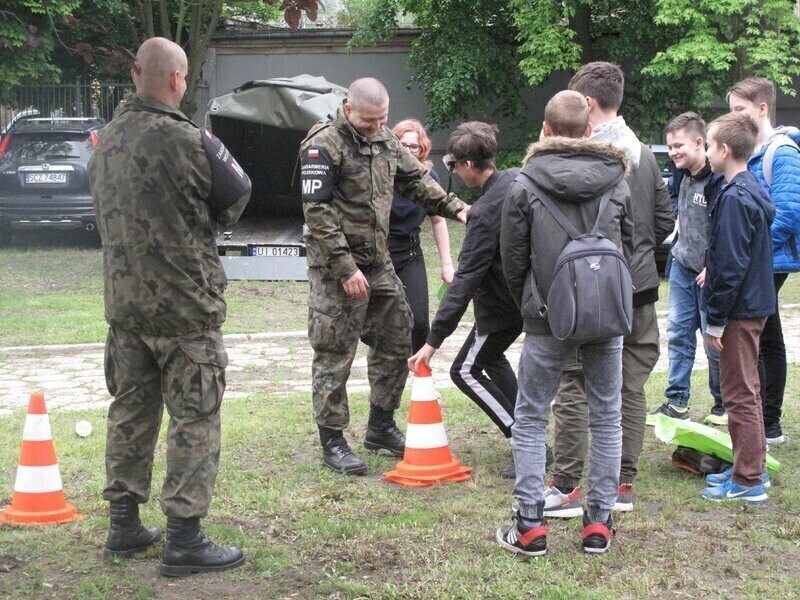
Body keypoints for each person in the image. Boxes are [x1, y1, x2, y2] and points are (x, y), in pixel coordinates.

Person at [88, 37, 250, 576]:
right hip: (185, 310)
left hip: (126, 308)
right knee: (194, 419)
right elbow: (237, 195)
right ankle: (184, 538)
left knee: (130, 412)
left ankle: (124, 526)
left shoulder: (104, 141)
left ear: (135, 73)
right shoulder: (190, 140)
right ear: (178, 80)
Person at [299, 77, 469, 476]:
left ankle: (380, 426)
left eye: (382, 119)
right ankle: (334, 440)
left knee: (399, 336)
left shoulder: (387, 140)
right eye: (369, 120)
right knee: (334, 353)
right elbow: (317, 214)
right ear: (348, 109)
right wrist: (345, 269)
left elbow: (415, 181)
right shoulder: (323, 145)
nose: (376, 127)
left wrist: (457, 208)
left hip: (378, 265)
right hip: (336, 272)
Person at [497, 90, 633, 556]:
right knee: (607, 415)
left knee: (531, 416)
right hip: (606, 316)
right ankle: (598, 524)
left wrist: (532, 306)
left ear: (546, 129)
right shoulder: (617, 179)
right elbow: (631, 249)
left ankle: (531, 526)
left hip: (545, 317)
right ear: (590, 130)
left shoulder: (524, 182)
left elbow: (512, 259)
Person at [544, 62, 673, 518]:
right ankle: (622, 485)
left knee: (576, 382)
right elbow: (663, 223)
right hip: (638, 287)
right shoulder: (645, 152)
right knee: (630, 386)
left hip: (591, 290)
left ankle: (566, 487)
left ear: (590, 105)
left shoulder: (584, 157)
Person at [407, 121, 523, 478]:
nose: (453, 171)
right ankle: (528, 431)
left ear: (469, 165)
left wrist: (431, 342)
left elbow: (464, 283)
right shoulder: (516, 179)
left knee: (464, 371)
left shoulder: (483, 214)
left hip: (502, 310)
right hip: (521, 303)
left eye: (452, 164)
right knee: (493, 360)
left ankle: (523, 439)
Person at [700, 111, 776, 504]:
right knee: (747, 388)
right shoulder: (750, 187)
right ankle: (751, 466)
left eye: (710, 145)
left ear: (724, 149)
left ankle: (748, 480)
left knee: (738, 393)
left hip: (740, 311)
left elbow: (729, 267)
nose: (707, 153)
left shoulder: (733, 198)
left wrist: (715, 320)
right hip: (754, 305)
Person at [728, 77, 800, 445]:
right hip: (755, 259)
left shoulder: (782, 152)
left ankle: (769, 423)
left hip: (771, 261)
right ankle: (758, 417)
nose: (734, 116)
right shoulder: (751, 150)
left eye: (740, 109)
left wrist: (750, 253)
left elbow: (788, 212)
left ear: (762, 108)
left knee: (765, 339)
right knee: (762, 336)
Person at [651, 112, 726, 424]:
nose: (673, 153)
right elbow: (670, 199)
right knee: (679, 333)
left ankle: (722, 405)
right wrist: (676, 215)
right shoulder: (679, 171)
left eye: (678, 146)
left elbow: (727, 228)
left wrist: (715, 265)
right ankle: (676, 402)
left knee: (714, 340)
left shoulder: (720, 177)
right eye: (669, 147)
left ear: (699, 142)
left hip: (710, 272)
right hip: (682, 264)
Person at [389, 119, 454, 353]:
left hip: (409, 253)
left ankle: (420, 374)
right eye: (402, 145)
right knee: (380, 325)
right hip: (379, 254)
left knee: (418, 322)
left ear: (422, 149)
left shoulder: (429, 178)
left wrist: (446, 264)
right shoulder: (381, 174)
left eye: (413, 147)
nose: (407, 151)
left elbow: (438, 219)